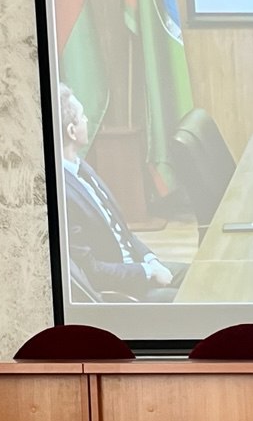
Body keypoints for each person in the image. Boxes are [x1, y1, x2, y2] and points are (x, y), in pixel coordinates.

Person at [59, 83, 187, 302]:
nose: (87, 120)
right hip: (123, 290)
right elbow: (92, 271)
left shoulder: (81, 168)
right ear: (72, 131)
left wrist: (151, 261)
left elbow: (123, 233)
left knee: (199, 276)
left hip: (138, 267)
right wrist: (148, 272)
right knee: (189, 298)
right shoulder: (64, 194)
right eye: (82, 117)